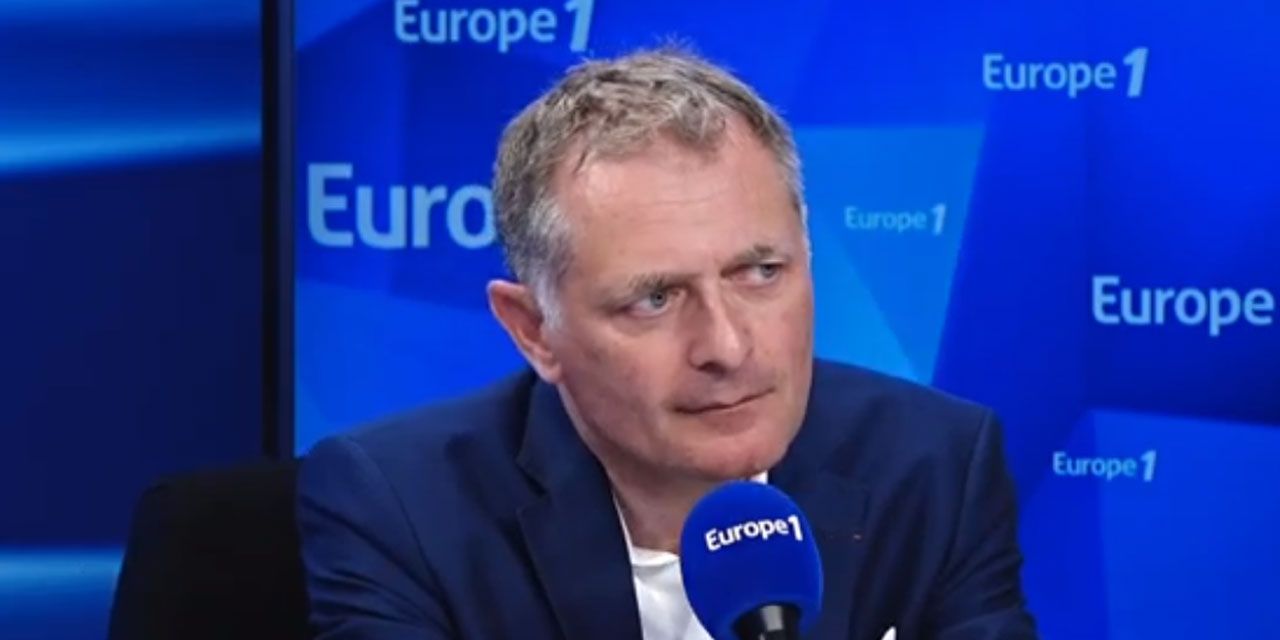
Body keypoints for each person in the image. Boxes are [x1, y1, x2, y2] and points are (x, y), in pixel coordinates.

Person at [296, 48, 1038, 640]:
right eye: (654, 298)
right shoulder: (400, 510)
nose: (727, 346)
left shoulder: (933, 465)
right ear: (534, 329)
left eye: (760, 272)